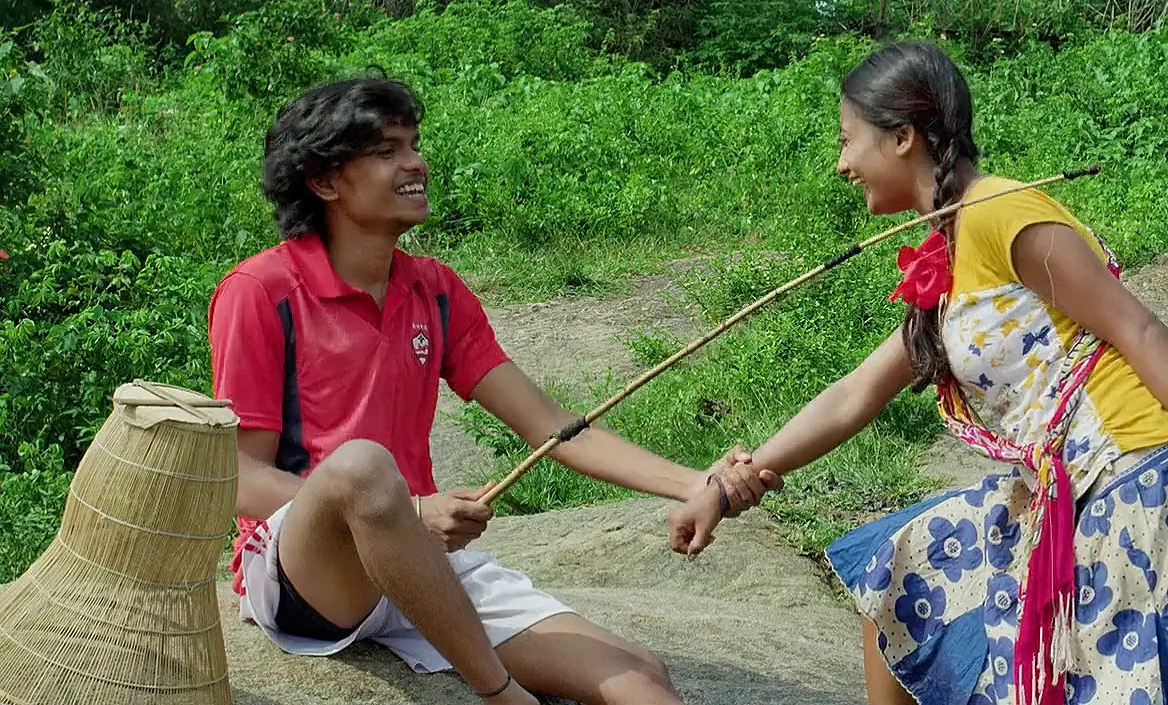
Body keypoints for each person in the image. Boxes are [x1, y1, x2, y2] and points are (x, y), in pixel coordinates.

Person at [666, 42, 1168, 705]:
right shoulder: (949, 254)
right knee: (898, 566)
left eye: (848, 140)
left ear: (902, 137)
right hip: (1060, 491)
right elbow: (855, 393)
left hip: (1134, 475)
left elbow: (1138, 330)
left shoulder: (1000, 210)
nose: (841, 163)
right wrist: (724, 488)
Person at [210, 76, 780, 705]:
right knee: (363, 469)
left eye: (414, 144)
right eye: (387, 151)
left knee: (639, 677)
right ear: (323, 182)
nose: (416, 163)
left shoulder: (435, 290)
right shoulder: (261, 292)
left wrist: (696, 482)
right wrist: (412, 511)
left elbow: (552, 426)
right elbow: (239, 477)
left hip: (417, 559)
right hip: (309, 572)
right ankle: (501, 693)